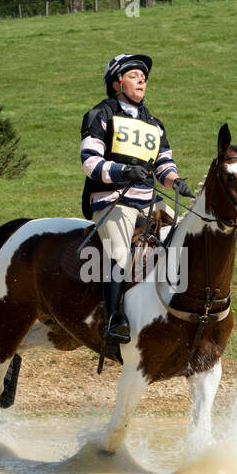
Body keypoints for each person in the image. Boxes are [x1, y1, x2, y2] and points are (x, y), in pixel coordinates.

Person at [80, 53, 193, 345]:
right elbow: (90, 163)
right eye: (134, 75)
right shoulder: (100, 115)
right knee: (119, 254)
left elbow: (164, 164)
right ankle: (115, 320)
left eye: (144, 76)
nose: (142, 79)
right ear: (117, 83)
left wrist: (175, 181)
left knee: (182, 238)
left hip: (149, 201)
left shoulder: (154, 124)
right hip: (113, 201)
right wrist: (124, 170)